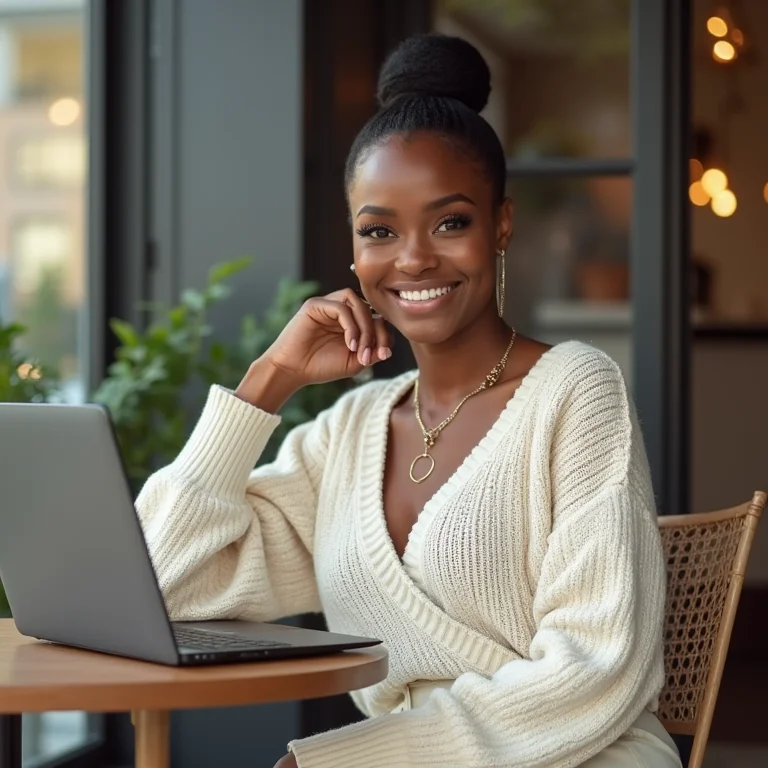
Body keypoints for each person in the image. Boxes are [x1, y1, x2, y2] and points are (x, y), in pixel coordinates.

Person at [136, 34, 682, 768]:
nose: (414, 257)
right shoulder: (352, 431)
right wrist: (267, 381)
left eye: (450, 222)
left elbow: (594, 667)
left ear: (502, 226)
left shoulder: (575, 392)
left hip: (575, 753)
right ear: (356, 252)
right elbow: (160, 587)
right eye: (379, 231)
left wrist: (352, 758)